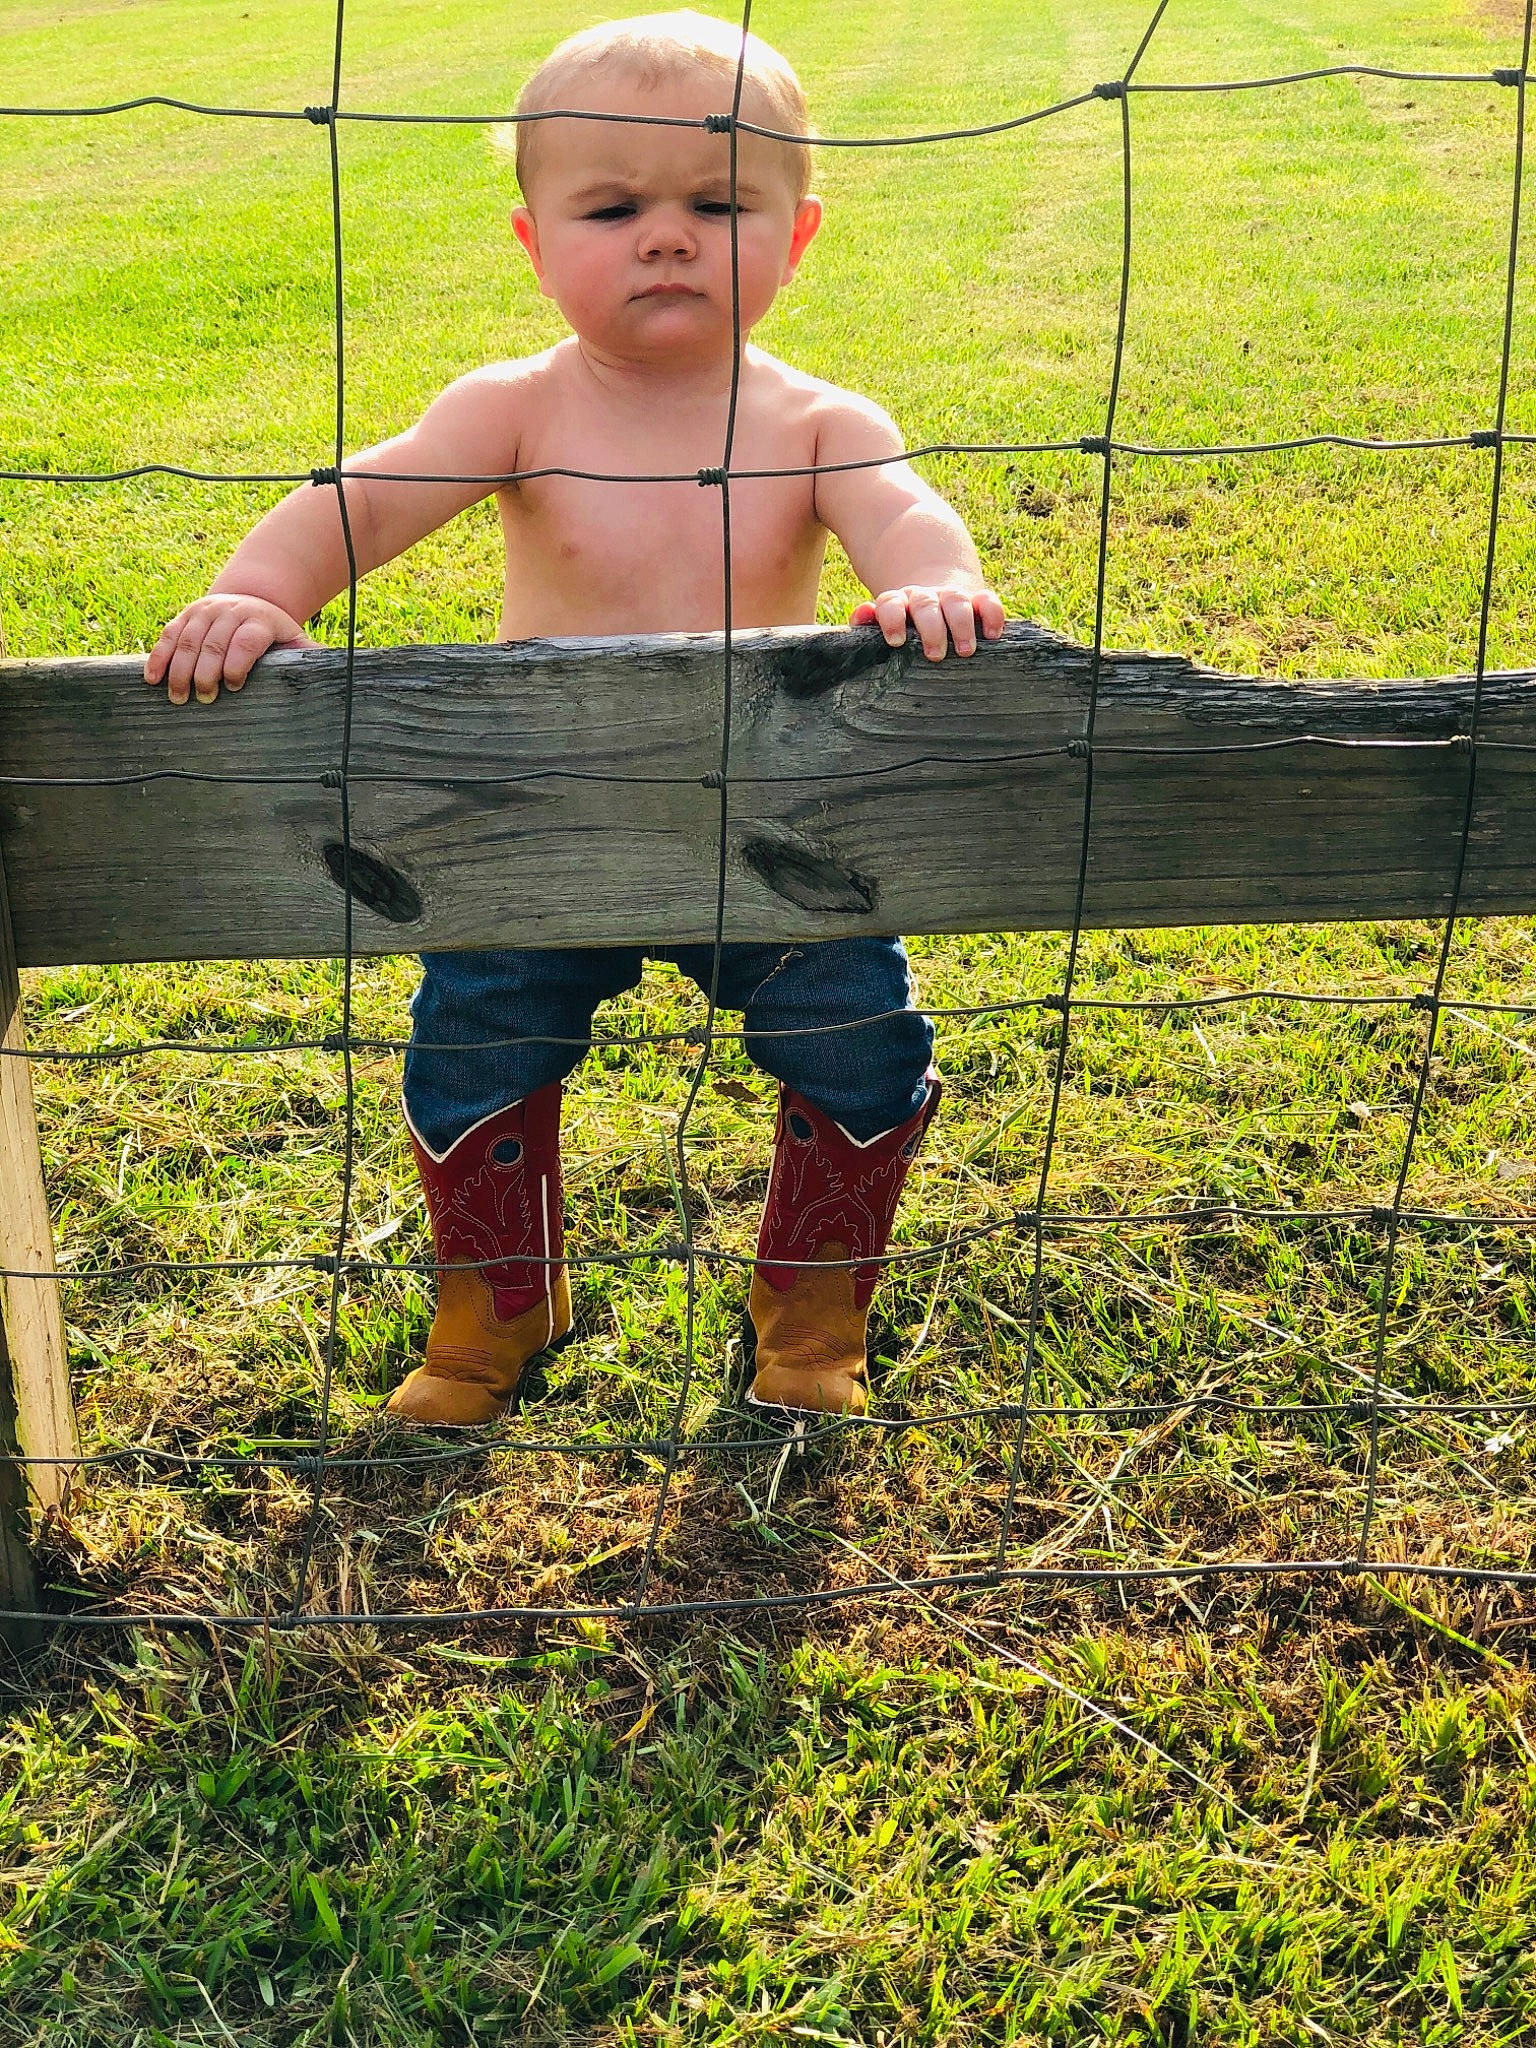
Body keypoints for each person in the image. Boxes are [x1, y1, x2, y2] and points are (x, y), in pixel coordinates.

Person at [143, 10, 1004, 1424]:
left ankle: (812, 1307)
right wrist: (259, 591)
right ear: (536, 244)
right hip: (540, 812)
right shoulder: (517, 410)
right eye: (613, 208)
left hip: (771, 823)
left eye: (718, 202)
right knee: (477, 1033)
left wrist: (932, 582)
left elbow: (901, 513)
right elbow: (364, 497)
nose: (666, 236)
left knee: (861, 1036)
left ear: (796, 238)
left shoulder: (818, 424)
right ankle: (498, 1301)